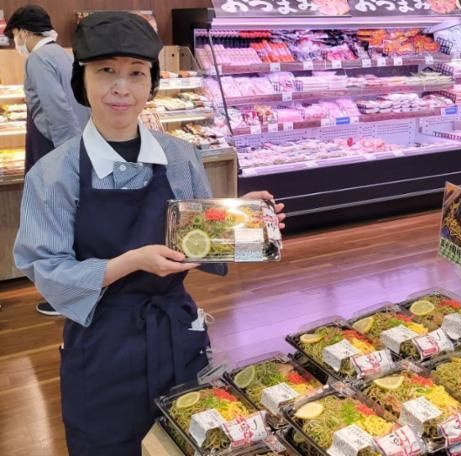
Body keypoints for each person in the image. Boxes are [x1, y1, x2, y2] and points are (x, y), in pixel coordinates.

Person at [13, 11, 285, 455]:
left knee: (186, 442)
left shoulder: (180, 155)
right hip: (102, 344)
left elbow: (200, 237)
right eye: (106, 71)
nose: (121, 87)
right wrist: (130, 262)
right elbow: (46, 269)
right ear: (82, 81)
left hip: (178, 332)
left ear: (151, 83)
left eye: (136, 73)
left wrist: (243, 219)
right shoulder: (54, 172)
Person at [5, 5, 90, 317]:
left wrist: (64, 158)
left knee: (54, 222)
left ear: (24, 32)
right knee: (70, 219)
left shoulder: (39, 58)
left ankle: (64, 295)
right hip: (75, 145)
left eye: (15, 35)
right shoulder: (62, 54)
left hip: (53, 150)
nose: (16, 42)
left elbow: (55, 109)